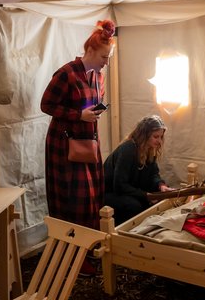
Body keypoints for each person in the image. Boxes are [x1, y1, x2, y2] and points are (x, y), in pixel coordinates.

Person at [41, 19, 115, 235]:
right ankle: (70, 248)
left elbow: (90, 105)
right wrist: (78, 115)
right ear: (90, 50)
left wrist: (94, 112)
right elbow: (46, 105)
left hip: (89, 142)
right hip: (65, 145)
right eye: (103, 57)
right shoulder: (66, 73)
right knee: (71, 198)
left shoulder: (98, 77)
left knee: (92, 196)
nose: (106, 63)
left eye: (108, 58)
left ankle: (88, 246)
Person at [103, 115, 175, 223]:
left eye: (161, 137)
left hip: (129, 190)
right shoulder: (128, 148)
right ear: (144, 135)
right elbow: (119, 185)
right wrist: (145, 195)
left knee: (162, 193)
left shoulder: (150, 149)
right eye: (156, 137)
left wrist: (161, 185)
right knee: (134, 206)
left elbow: (154, 174)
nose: (159, 141)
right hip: (111, 193)